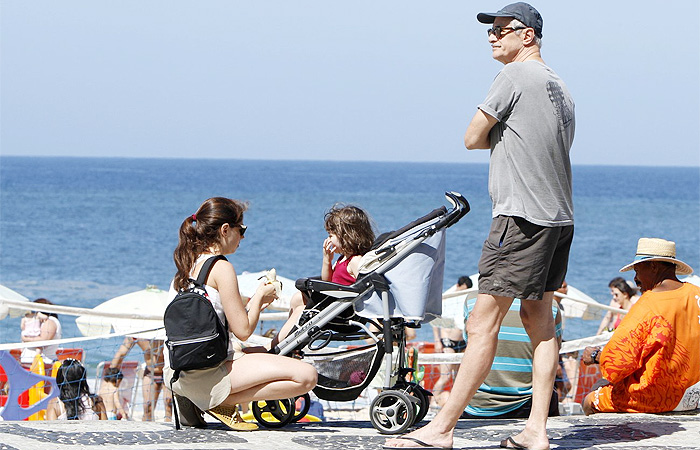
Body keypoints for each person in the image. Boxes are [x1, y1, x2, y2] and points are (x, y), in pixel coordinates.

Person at [386, 3, 575, 449]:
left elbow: (471, 137)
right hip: (559, 216)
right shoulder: (560, 87)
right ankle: (536, 430)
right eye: (489, 32)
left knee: (482, 324)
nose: (492, 37)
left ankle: (442, 428)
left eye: (501, 30)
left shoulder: (513, 78)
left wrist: (499, 135)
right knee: (541, 322)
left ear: (527, 35)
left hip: (521, 217)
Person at [164, 197, 317, 430]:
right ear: (225, 229)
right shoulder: (221, 267)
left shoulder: (188, 263)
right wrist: (258, 297)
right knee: (306, 376)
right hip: (206, 374)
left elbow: (213, 319)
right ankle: (216, 400)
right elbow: (243, 331)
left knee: (269, 352)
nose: (243, 237)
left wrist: (253, 305)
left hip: (177, 370)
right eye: (241, 229)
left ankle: (200, 394)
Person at [582, 238, 700, 415]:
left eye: (637, 271)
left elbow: (615, 367)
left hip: (655, 398)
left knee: (591, 397)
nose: (635, 279)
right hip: (693, 394)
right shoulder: (696, 294)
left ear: (653, 266)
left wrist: (595, 355)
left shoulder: (647, 305)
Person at [275, 204, 376, 345]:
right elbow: (327, 281)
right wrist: (327, 261)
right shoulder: (342, 259)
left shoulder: (355, 261)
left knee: (302, 309)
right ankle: (288, 342)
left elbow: (366, 290)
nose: (328, 240)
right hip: (334, 308)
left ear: (345, 235)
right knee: (297, 299)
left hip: (345, 315)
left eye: (331, 235)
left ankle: (278, 344)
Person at [461, 298, 562, 419]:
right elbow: (553, 352)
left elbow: (470, 344)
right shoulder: (550, 305)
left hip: (476, 405)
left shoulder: (473, 300)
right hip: (527, 405)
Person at [430, 276, 472, 409]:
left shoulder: (465, 300)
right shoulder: (448, 297)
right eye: (463, 290)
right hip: (448, 342)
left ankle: (456, 404)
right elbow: (435, 320)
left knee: (460, 377)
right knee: (446, 376)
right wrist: (437, 340)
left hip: (463, 342)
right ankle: (432, 402)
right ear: (458, 286)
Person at [111, 337, 172, 421]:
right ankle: (147, 431)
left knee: (169, 404)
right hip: (150, 373)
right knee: (148, 406)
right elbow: (121, 353)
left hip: (167, 372)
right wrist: (110, 377)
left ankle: (168, 431)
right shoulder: (139, 335)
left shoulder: (164, 334)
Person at [20, 298, 63, 365]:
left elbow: (43, 341)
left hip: (43, 363)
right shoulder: (41, 321)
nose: (32, 313)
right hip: (32, 362)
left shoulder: (50, 321)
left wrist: (25, 339)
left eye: (34, 311)